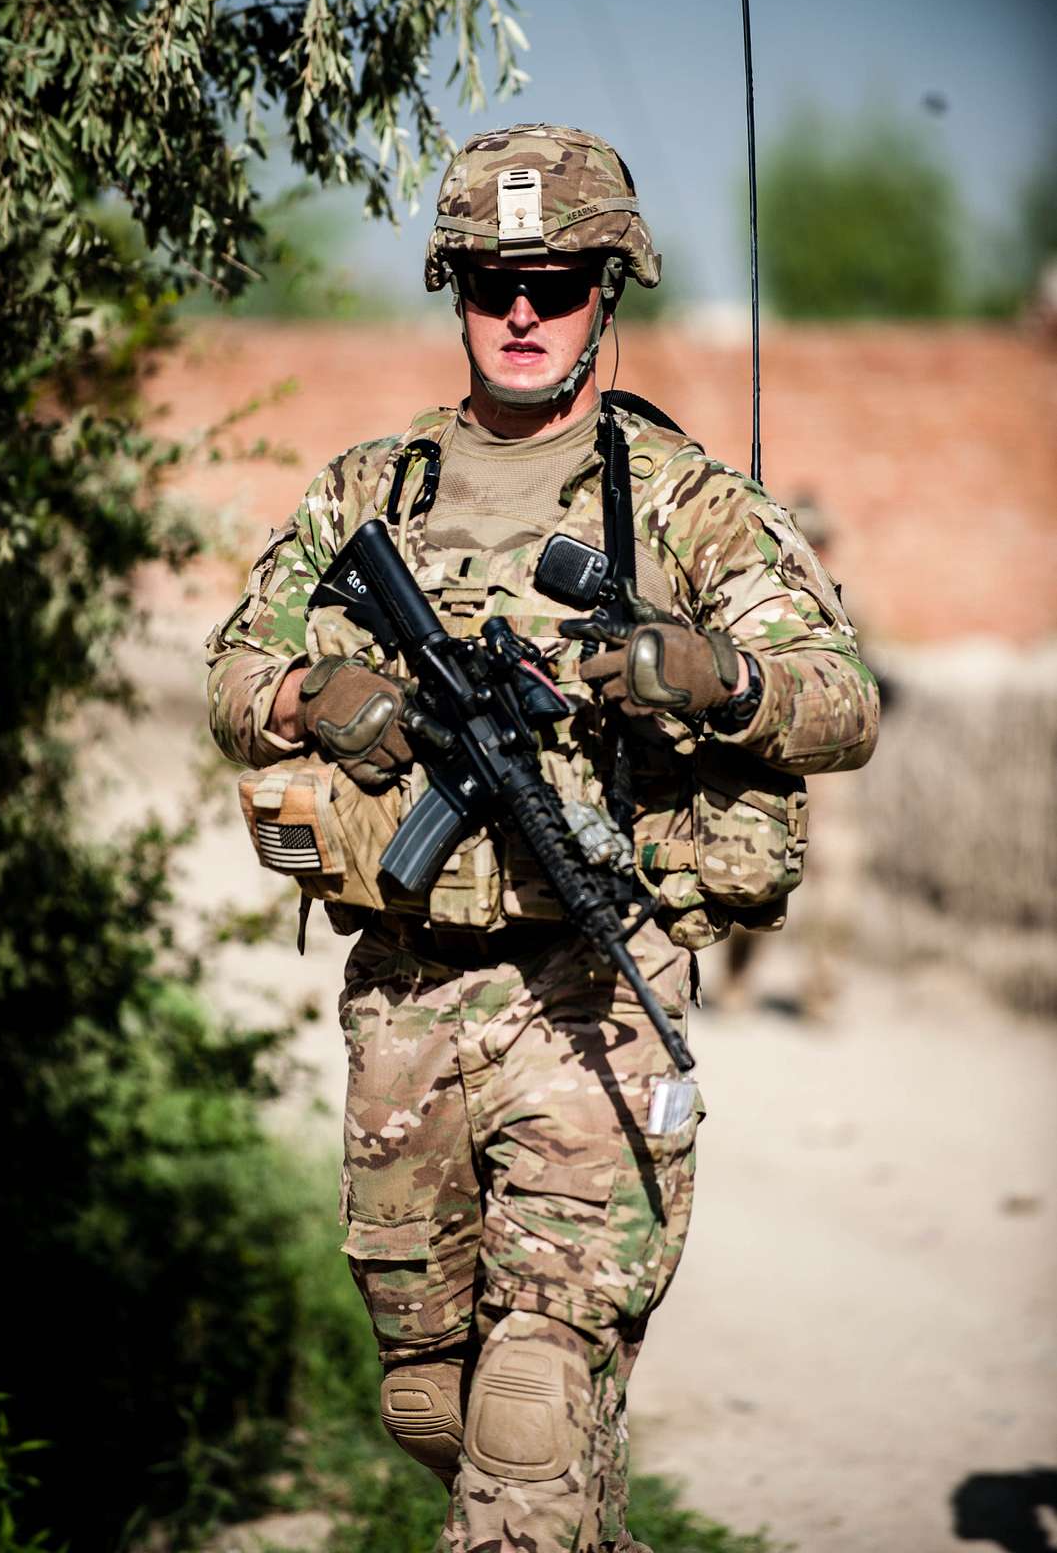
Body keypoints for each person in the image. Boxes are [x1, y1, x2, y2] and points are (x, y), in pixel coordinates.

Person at [206, 124, 879, 1553]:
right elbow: (226, 681)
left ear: (608, 288)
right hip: (401, 994)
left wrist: (710, 677)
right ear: (453, 286)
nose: (523, 312)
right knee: (434, 1408)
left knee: (532, 1394)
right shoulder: (366, 492)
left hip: (591, 995)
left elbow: (842, 704)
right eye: (493, 281)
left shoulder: (684, 503)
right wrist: (311, 694)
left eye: (559, 280)